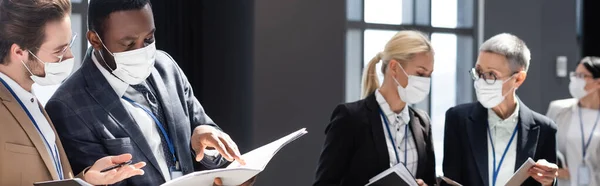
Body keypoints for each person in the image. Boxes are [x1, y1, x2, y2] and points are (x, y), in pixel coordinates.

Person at [44, 0, 254, 185]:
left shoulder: (166, 67)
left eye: (149, 39)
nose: (142, 51)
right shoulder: (67, 106)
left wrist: (217, 157)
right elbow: (99, 182)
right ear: (95, 40)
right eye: (128, 44)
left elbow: (203, 134)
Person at [0, 0, 146, 185]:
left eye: (70, 44)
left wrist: (85, 180)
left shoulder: (29, 98)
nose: (70, 56)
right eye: (59, 50)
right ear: (19, 52)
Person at [313, 30, 436, 186]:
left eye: (429, 75)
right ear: (394, 68)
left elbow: (430, 181)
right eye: (420, 73)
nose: (425, 81)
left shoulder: (422, 123)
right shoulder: (351, 118)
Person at [442, 33, 559, 186]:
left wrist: (550, 181)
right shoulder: (458, 119)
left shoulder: (544, 129)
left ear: (518, 79)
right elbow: (450, 179)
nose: (481, 81)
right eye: (478, 72)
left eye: (491, 75)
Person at [546, 56, 600, 186]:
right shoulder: (559, 110)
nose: (576, 80)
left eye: (582, 76)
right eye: (575, 75)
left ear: (598, 82)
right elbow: (543, 145)